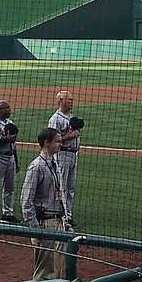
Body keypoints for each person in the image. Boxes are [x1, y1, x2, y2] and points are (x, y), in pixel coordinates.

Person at [22, 128, 67, 280]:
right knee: (44, 272)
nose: (61, 144)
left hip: (59, 222)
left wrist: (65, 219)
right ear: (47, 143)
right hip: (44, 224)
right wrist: (35, 229)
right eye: (58, 141)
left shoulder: (55, 164)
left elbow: (60, 193)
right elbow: (26, 200)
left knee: (60, 270)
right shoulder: (36, 167)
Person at [47, 90, 81, 224]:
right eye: (69, 100)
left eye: (72, 100)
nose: (71, 102)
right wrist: (69, 136)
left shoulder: (71, 116)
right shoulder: (55, 119)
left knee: (70, 187)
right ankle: (63, 215)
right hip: (62, 155)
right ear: (60, 101)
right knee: (62, 187)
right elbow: (51, 140)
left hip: (73, 154)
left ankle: (68, 215)